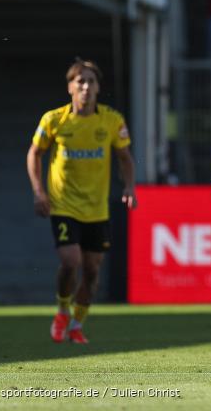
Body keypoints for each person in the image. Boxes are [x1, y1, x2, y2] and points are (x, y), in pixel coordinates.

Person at [27, 59, 136, 345]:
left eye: (91, 81)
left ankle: (76, 324)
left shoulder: (112, 120)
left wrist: (129, 186)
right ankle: (63, 308)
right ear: (70, 87)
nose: (85, 86)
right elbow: (34, 154)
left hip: (97, 209)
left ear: (98, 88)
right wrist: (39, 191)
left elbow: (125, 157)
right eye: (80, 81)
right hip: (63, 205)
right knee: (70, 260)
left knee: (91, 270)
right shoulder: (54, 120)